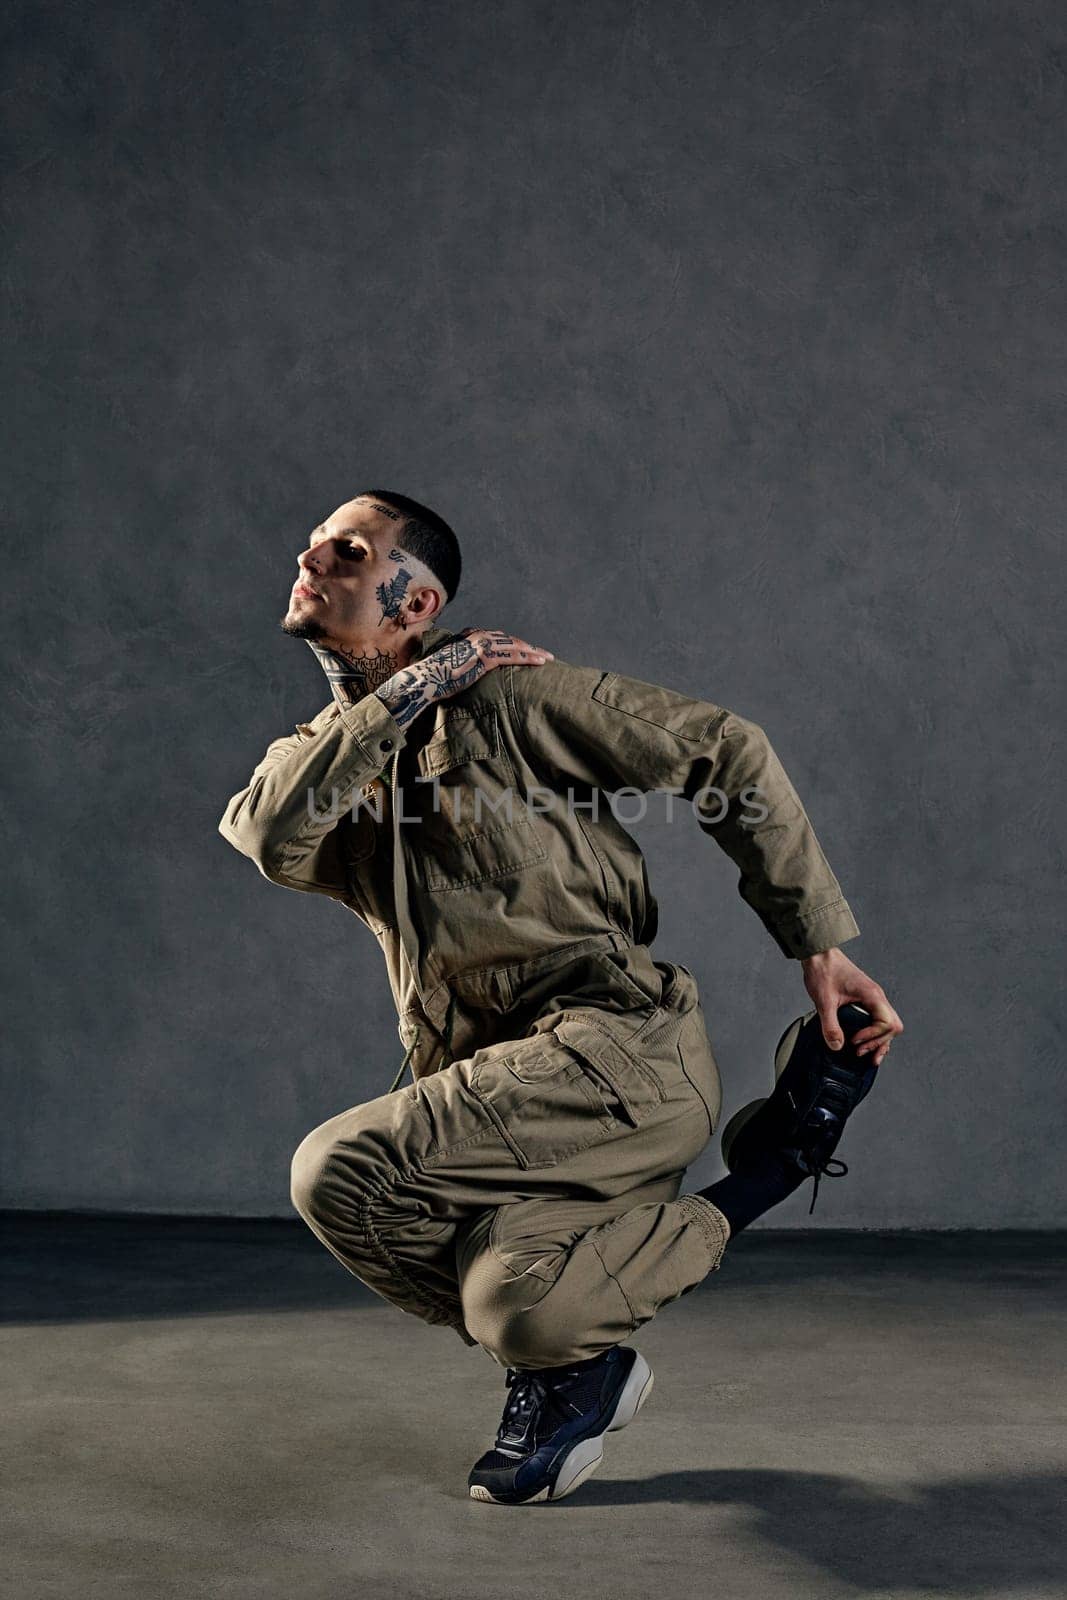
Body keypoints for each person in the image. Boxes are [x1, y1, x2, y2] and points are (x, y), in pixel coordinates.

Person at [218, 489, 904, 1506]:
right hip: (511, 1106)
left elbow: (725, 749)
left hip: (615, 1053)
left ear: (417, 601)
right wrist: (405, 695)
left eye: (347, 549)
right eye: (314, 541)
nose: (311, 555)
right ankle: (757, 1185)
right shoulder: (326, 752)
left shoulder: (506, 700)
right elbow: (272, 838)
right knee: (519, 1314)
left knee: (338, 1170)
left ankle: (595, 1334)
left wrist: (818, 948)